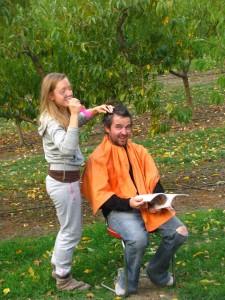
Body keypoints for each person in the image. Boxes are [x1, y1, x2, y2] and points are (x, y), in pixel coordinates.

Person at [81, 104, 188, 296]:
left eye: (128, 127)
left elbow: (154, 181)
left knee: (180, 232)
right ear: (107, 128)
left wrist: (158, 201)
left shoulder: (139, 151)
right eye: (119, 127)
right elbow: (103, 198)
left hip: (148, 207)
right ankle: (128, 281)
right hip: (119, 211)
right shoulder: (97, 158)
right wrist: (128, 203)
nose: (124, 132)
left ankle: (157, 270)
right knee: (138, 240)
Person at [38, 72, 113, 291]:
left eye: (69, 88)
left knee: (67, 228)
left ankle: (57, 264)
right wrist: (73, 114)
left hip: (64, 181)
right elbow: (67, 147)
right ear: (51, 95)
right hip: (63, 183)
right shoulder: (50, 120)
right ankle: (63, 278)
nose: (69, 93)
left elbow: (76, 120)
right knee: (72, 231)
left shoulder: (59, 113)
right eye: (63, 91)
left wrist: (93, 111)